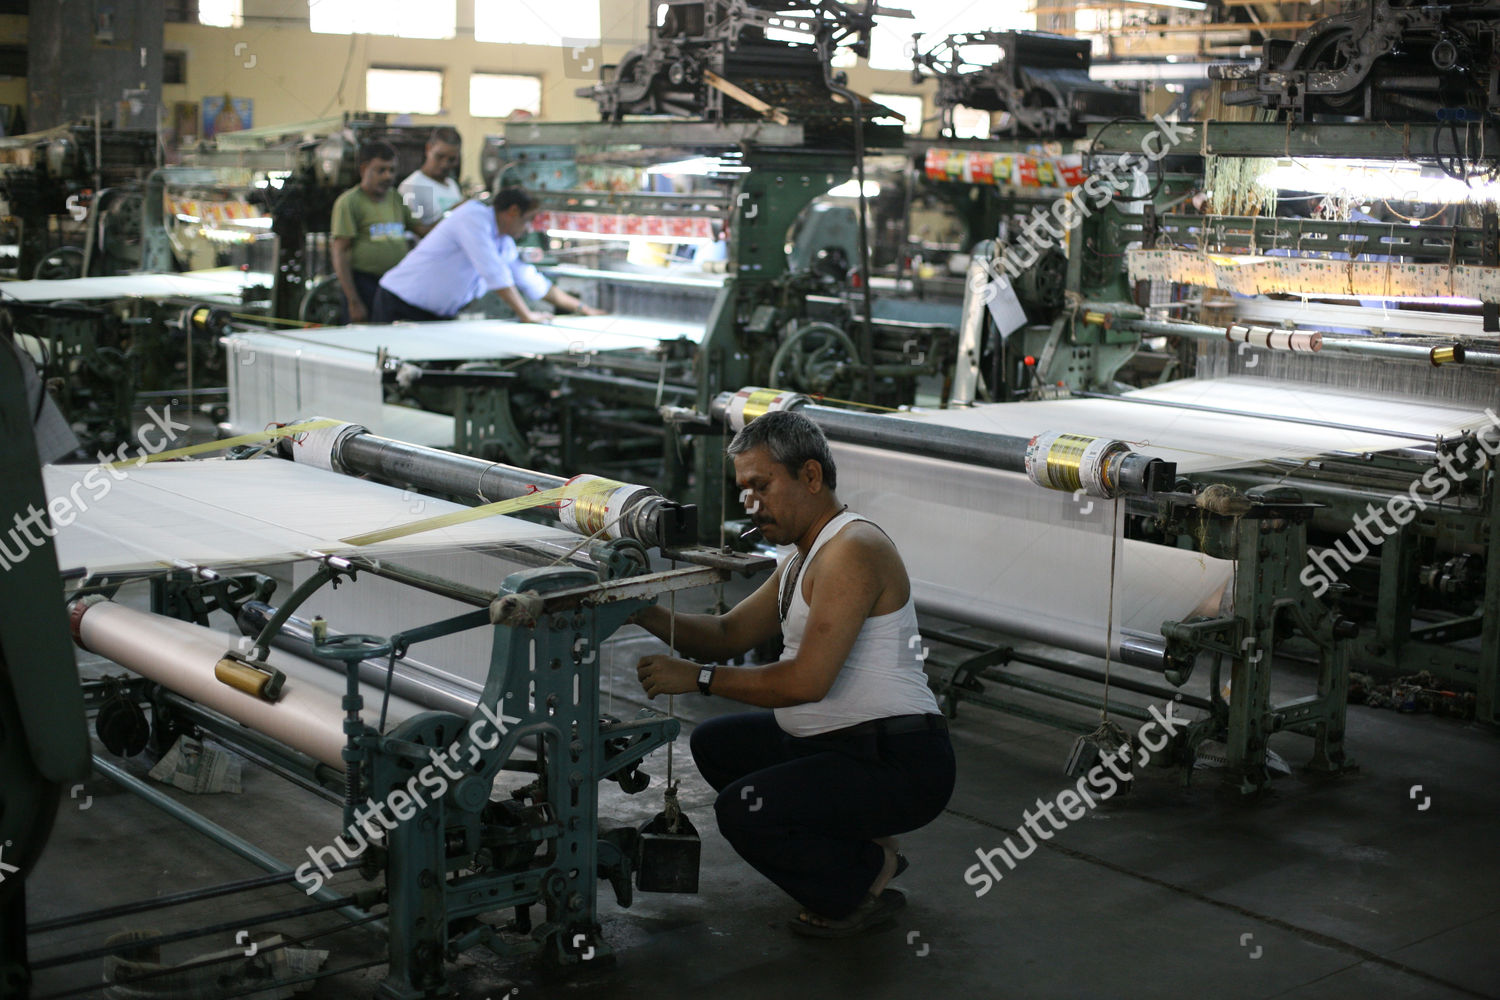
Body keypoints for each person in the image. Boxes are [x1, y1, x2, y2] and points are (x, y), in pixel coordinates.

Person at [634, 410, 955, 937]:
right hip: (841, 746)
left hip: (900, 762)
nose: (750, 504)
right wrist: (638, 608)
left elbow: (806, 682)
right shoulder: (801, 558)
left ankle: (861, 879)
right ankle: (864, 847)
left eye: (761, 487)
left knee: (743, 811)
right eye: (744, 491)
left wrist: (698, 678)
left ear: (810, 476)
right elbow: (726, 634)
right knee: (717, 744)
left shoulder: (853, 550)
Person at [373, 187, 604, 324]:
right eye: (527, 220)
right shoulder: (473, 218)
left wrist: (584, 310)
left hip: (434, 316)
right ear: (513, 212)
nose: (528, 229)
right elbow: (494, 273)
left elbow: (533, 282)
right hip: (399, 304)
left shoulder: (503, 242)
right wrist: (526, 315)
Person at [330, 140, 431, 324]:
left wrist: (455, 216)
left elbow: (421, 230)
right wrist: (353, 301)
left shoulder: (396, 198)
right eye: (381, 170)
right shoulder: (349, 202)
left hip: (393, 285)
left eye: (392, 170)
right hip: (363, 285)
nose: (388, 176)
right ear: (364, 169)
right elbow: (340, 252)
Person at [398, 126, 464, 225]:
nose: (445, 164)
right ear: (428, 148)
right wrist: (452, 212)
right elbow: (414, 232)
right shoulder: (413, 186)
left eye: (452, 160)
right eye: (440, 156)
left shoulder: (451, 184)